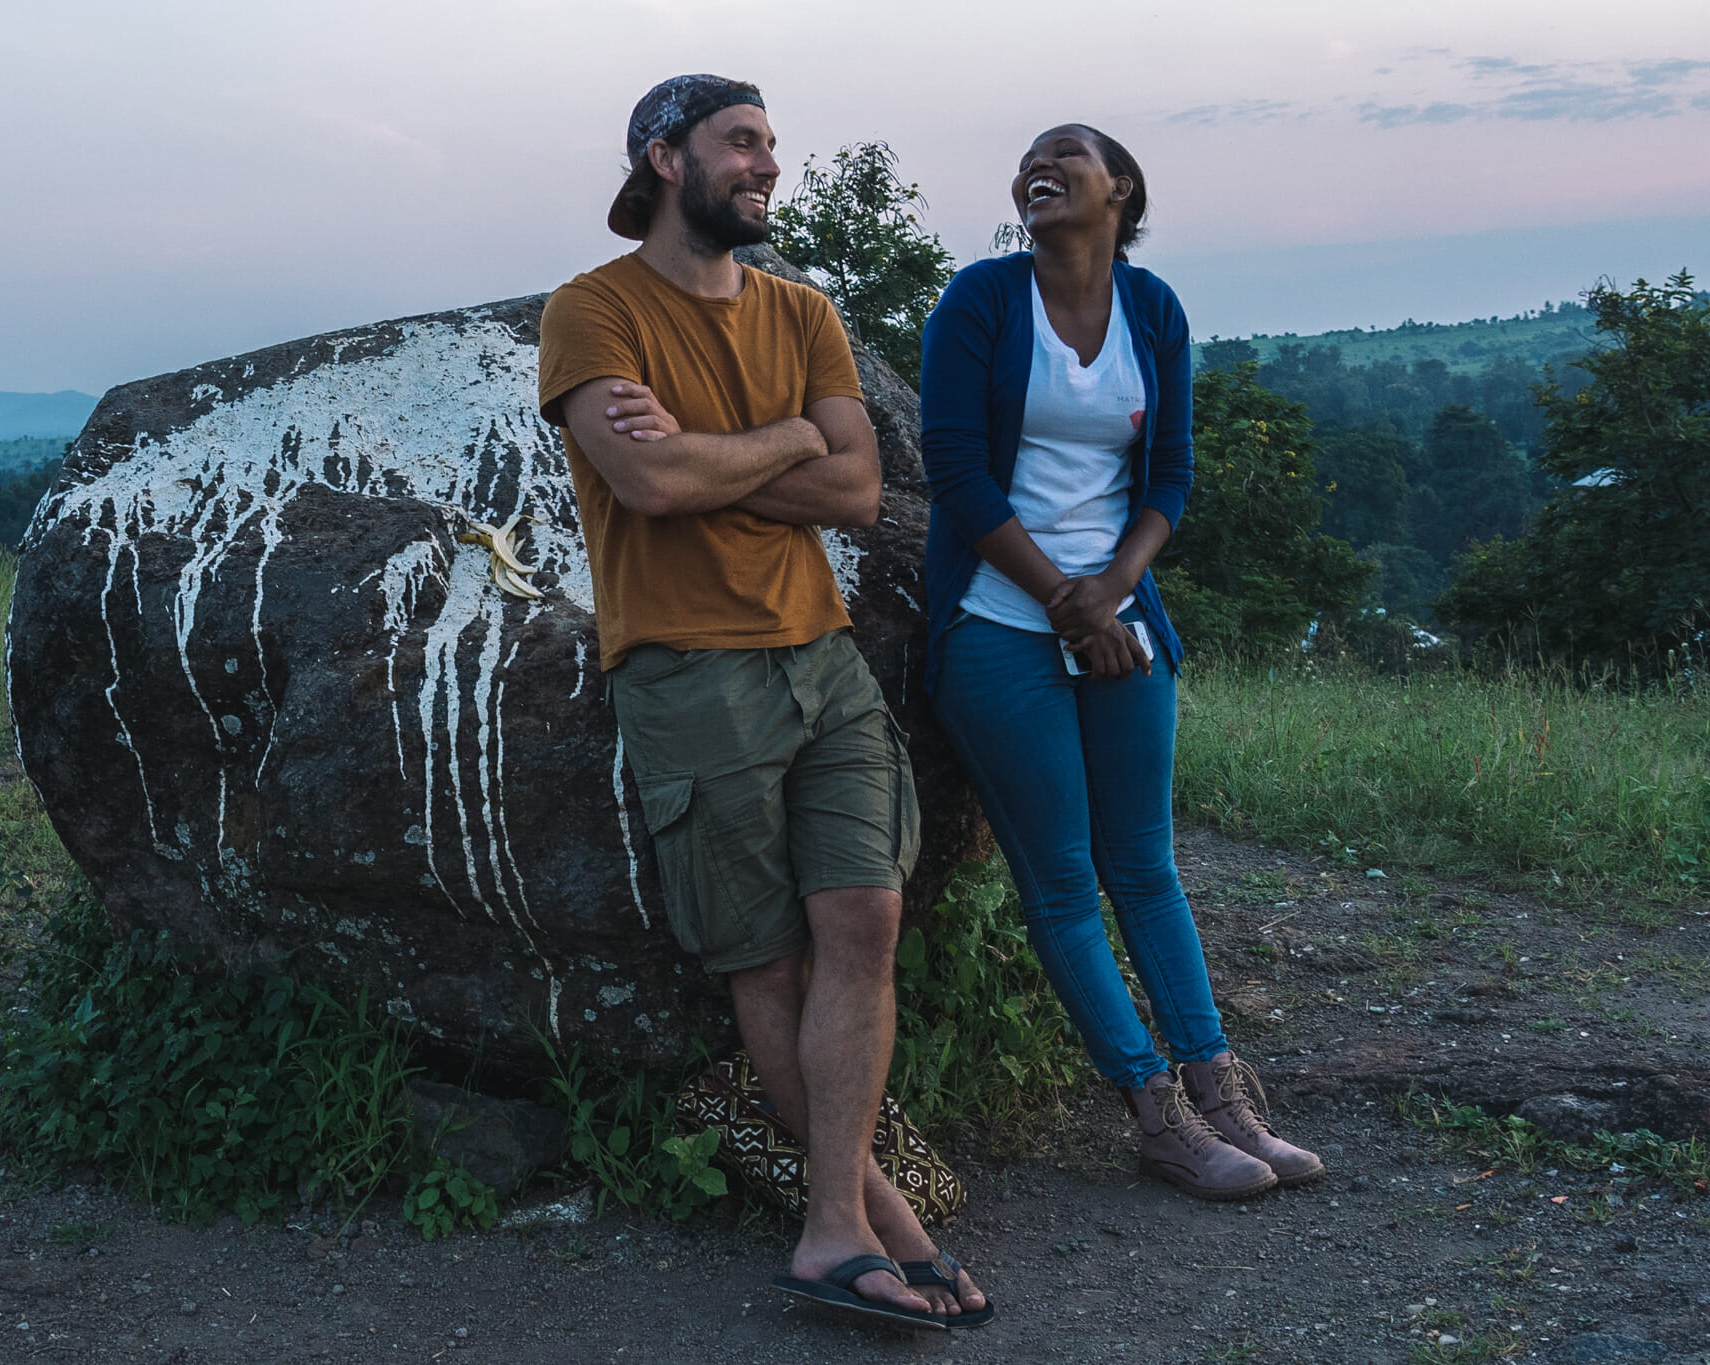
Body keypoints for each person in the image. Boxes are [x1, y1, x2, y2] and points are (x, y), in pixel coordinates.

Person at [537, 74, 991, 1329]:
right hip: (686, 665)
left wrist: (735, 449)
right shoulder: (590, 311)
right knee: (768, 958)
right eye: (740, 143)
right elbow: (647, 484)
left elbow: (854, 492)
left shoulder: (801, 310)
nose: (766, 165)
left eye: (771, 146)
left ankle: (844, 1222)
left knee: (863, 920)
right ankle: (869, 1224)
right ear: (662, 157)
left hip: (820, 654)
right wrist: (788, 436)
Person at [917, 124, 1323, 1200]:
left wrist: (1108, 592)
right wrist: (1059, 600)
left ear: (1119, 189)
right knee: (1058, 877)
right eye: (1027, 159)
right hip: (998, 619)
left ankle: (1222, 1097)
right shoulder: (981, 300)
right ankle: (1154, 1115)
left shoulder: (1152, 310)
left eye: (1065, 154)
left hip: (1117, 616)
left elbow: (1171, 476)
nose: (1036, 167)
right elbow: (953, 471)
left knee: (1143, 866)